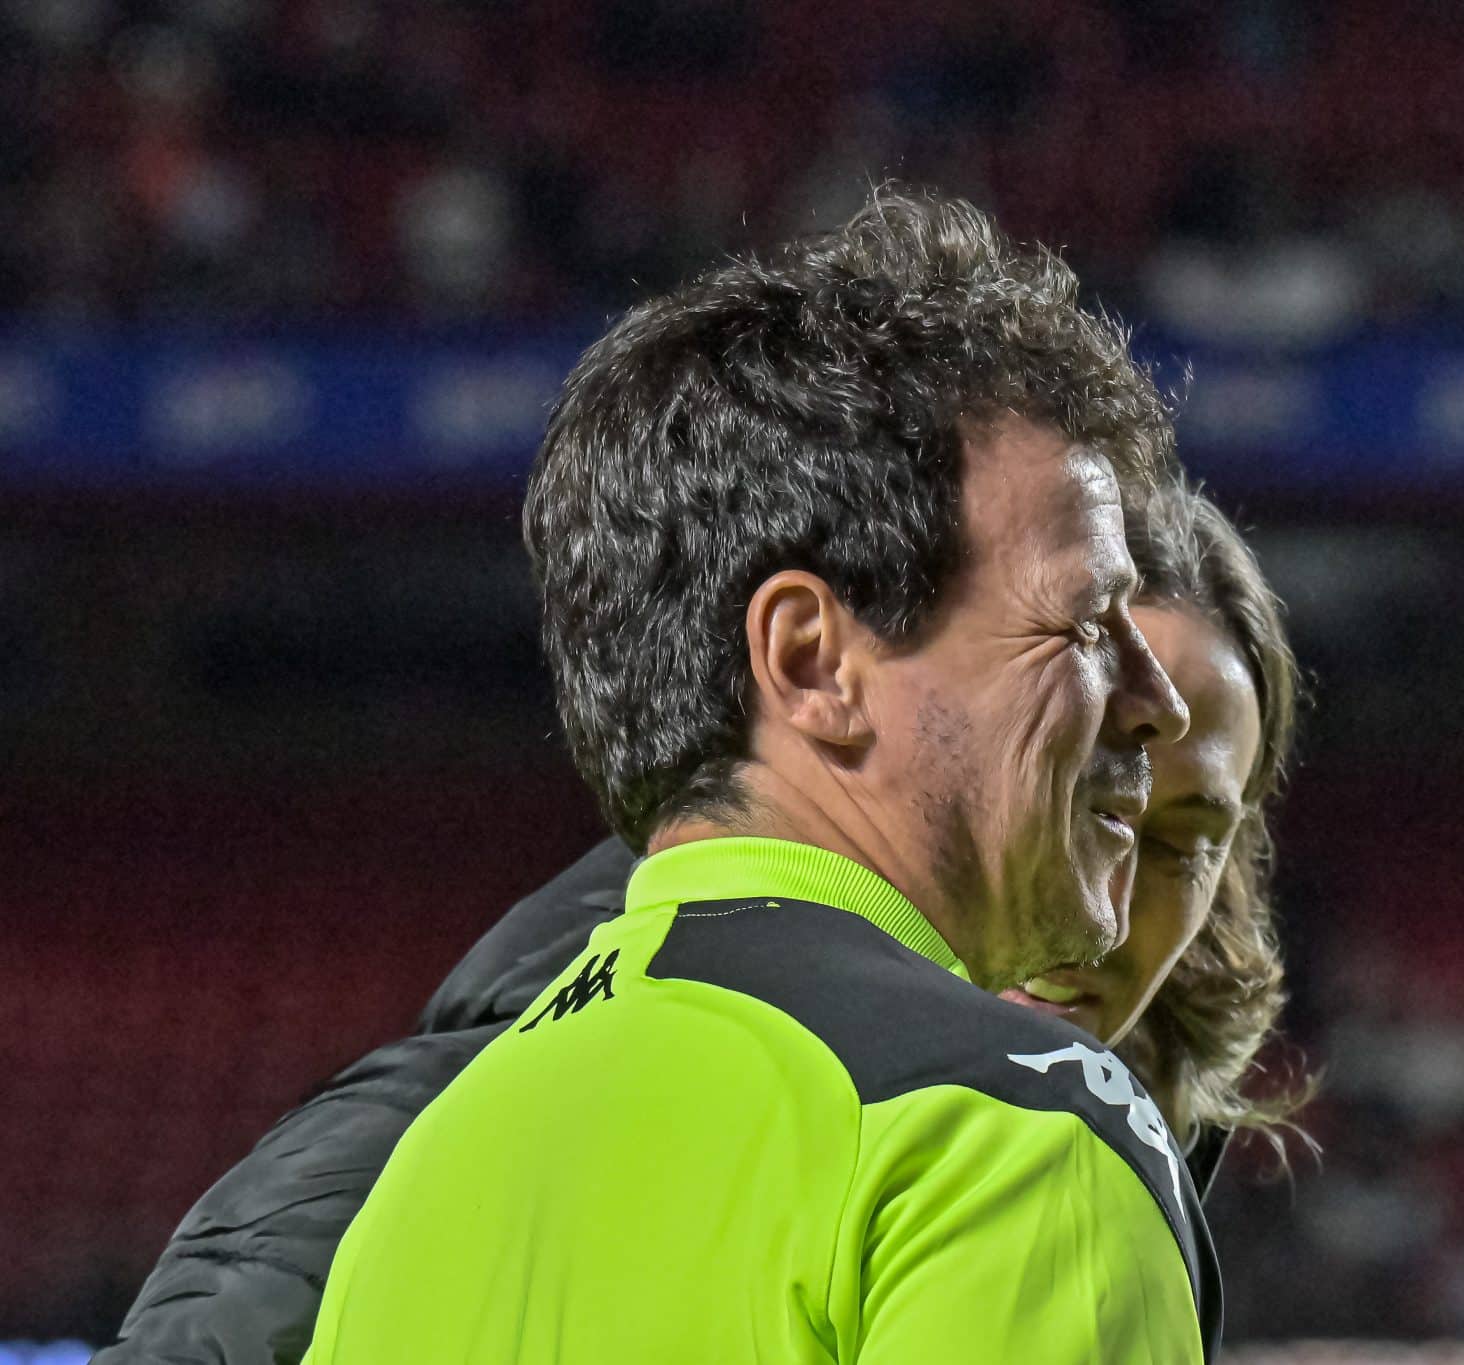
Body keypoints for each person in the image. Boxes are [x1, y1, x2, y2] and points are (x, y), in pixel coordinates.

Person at [297, 187, 1211, 1363]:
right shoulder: (1007, 1132)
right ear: (811, 660)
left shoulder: (425, 1174)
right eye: (1085, 626)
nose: (1157, 702)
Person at [96, 476, 1306, 1363]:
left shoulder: (1080, 1140)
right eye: (1086, 768)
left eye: (1184, 834)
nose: (1109, 877)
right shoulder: (487, 1088)